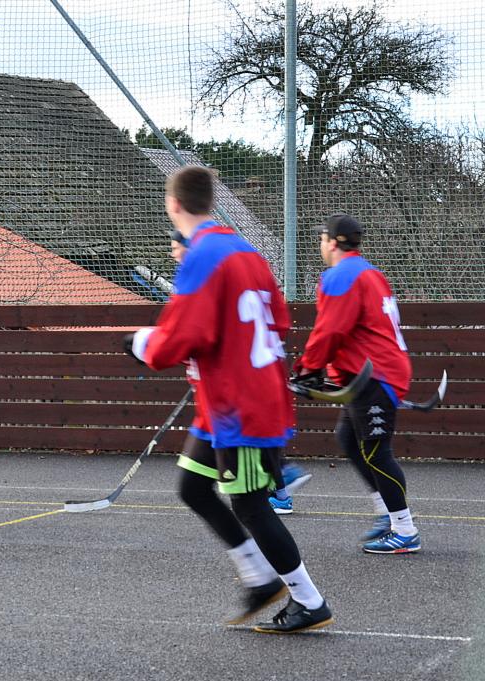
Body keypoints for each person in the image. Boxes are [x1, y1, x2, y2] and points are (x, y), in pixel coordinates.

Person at [126, 166, 332, 633]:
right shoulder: (246, 252)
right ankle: (259, 578)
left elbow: (181, 337)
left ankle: (309, 600)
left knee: (251, 505)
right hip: (227, 404)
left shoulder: (203, 255)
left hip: (243, 406)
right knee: (193, 487)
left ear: (173, 204)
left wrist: (142, 345)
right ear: (211, 201)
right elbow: (278, 321)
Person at [293, 214, 419, 554]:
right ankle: (387, 515)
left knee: (377, 452)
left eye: (322, 239)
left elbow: (331, 329)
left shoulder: (342, 274)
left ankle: (405, 530)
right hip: (372, 373)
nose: (320, 246)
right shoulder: (368, 272)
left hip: (375, 375)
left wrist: (307, 368)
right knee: (348, 439)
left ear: (333, 242)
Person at [168, 229, 312, 516]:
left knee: (247, 499)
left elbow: (199, 332)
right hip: (243, 384)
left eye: (176, 247)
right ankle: (282, 487)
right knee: (197, 485)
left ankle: (282, 483)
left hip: (239, 390)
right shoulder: (224, 268)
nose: (173, 254)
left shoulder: (206, 271)